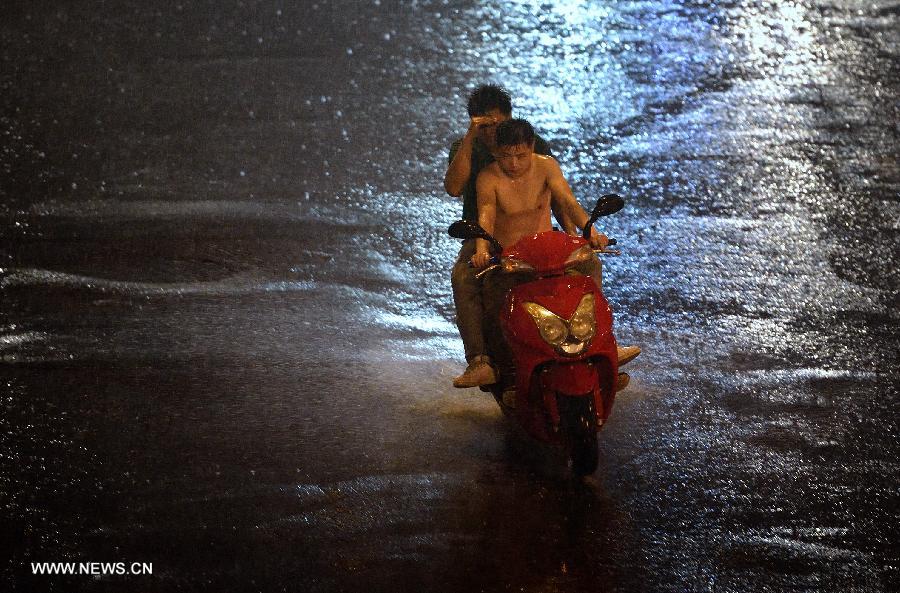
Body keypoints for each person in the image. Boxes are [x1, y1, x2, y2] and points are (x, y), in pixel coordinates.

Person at [472, 119, 640, 390]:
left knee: (590, 268)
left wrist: (591, 231)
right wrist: (481, 250)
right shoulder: (488, 178)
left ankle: (604, 345)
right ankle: (504, 374)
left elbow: (568, 202)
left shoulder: (547, 166)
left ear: (531, 147)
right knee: (494, 300)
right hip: (512, 258)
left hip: (548, 251)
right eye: (506, 156)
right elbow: (486, 215)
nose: (513, 163)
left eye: (520, 155)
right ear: (496, 153)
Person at [445, 85, 568, 388]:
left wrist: (574, 236)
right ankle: (479, 360)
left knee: (582, 267)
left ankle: (597, 345)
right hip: (484, 238)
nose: (492, 134)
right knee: (464, 279)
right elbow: (454, 188)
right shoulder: (466, 148)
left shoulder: (532, 145)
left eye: (496, 125)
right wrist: (472, 137)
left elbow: (559, 197)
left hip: (534, 233)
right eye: (484, 127)